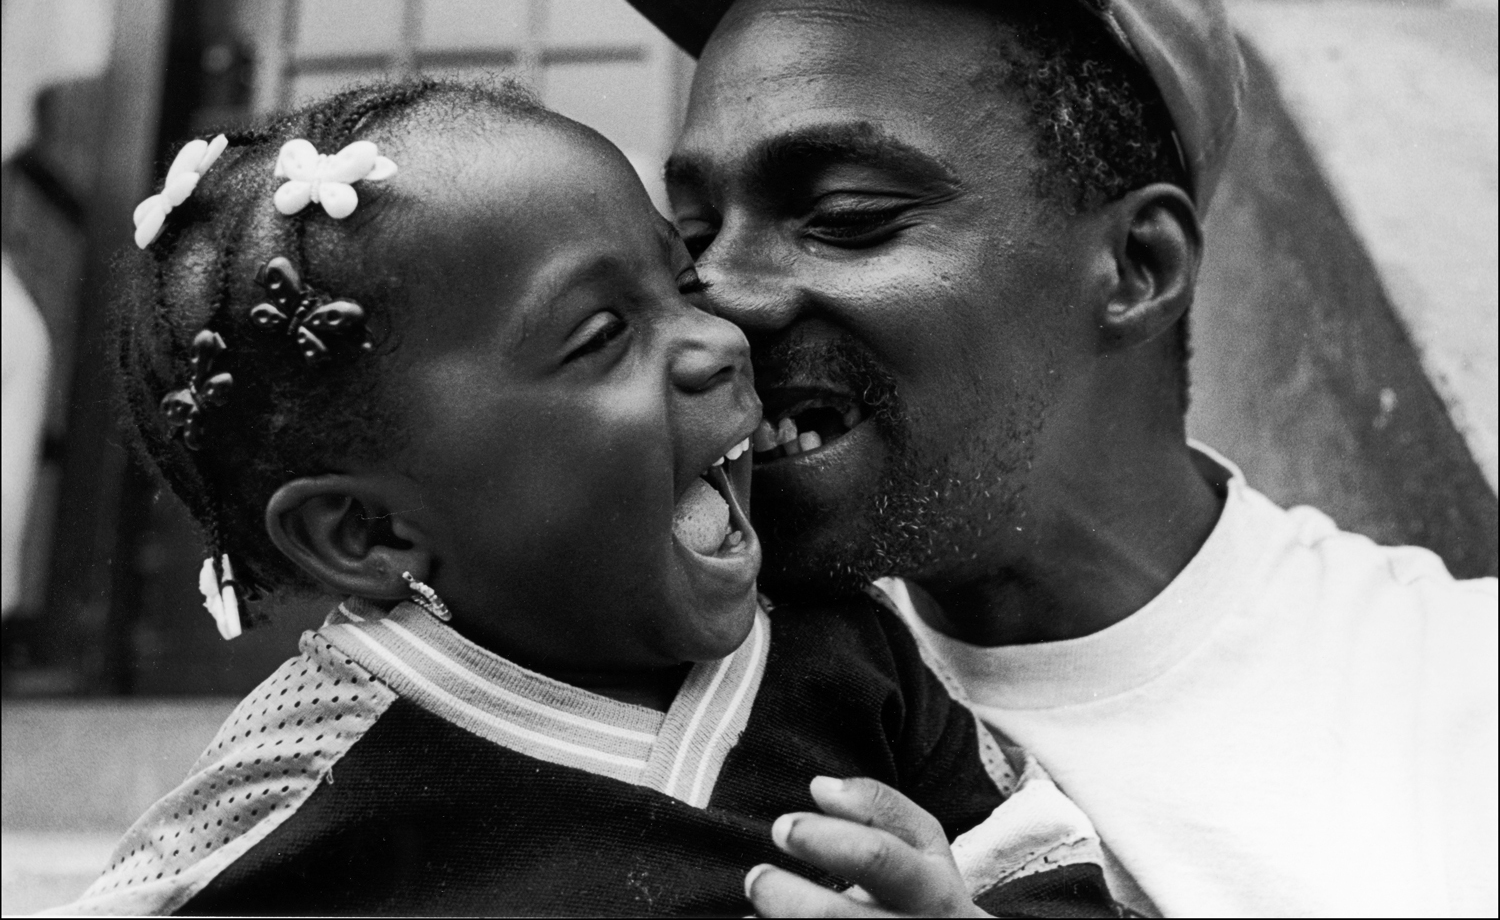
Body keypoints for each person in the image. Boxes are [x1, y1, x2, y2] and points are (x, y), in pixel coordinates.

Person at [563, 0, 1500, 918]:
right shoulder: (613, 683)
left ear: (1139, 266)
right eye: (695, 234)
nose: (720, 303)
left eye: (848, 213)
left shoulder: (1458, 708)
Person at [66, 77, 1122, 917]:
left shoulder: (850, 647)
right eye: (604, 333)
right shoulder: (303, 785)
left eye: (684, 282)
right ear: (370, 528)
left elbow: (1052, 864)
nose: (719, 340)